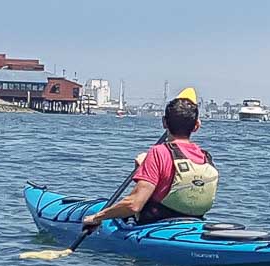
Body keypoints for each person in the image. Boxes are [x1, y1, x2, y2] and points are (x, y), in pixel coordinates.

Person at [82, 98, 219, 229]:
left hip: (155, 225)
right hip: (194, 224)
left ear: (164, 122)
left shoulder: (159, 153)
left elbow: (134, 205)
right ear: (197, 126)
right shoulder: (206, 157)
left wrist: (97, 217)